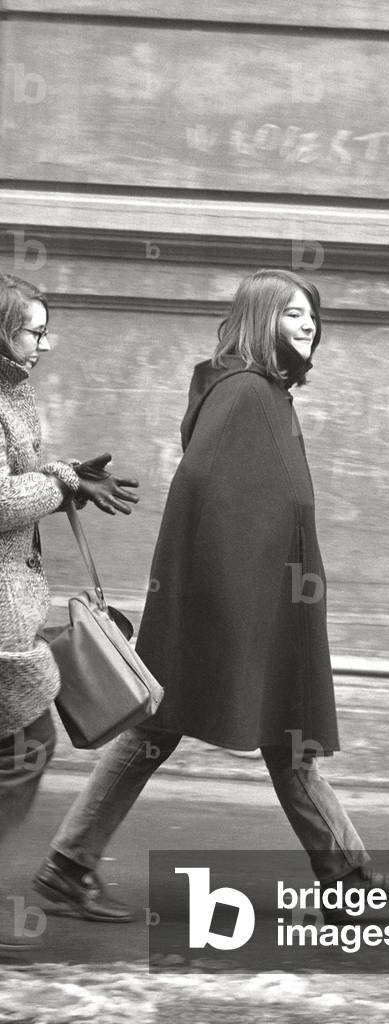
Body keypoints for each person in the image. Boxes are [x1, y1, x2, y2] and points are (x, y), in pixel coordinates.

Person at [35, 268, 385, 922]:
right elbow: (205, 496)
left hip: (251, 609)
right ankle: (347, 886)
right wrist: (232, 620)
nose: (307, 322)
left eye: (311, 313)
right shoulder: (247, 394)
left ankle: (347, 883)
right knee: (209, 734)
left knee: (215, 737)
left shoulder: (261, 394)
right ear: (259, 320)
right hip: (234, 614)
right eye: (290, 313)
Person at [0, 273, 139, 951]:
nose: (45, 343)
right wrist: (58, 482)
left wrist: (65, 475)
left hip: (10, 609)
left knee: (23, 746)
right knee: (25, 745)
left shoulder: (11, 394)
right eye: (33, 329)